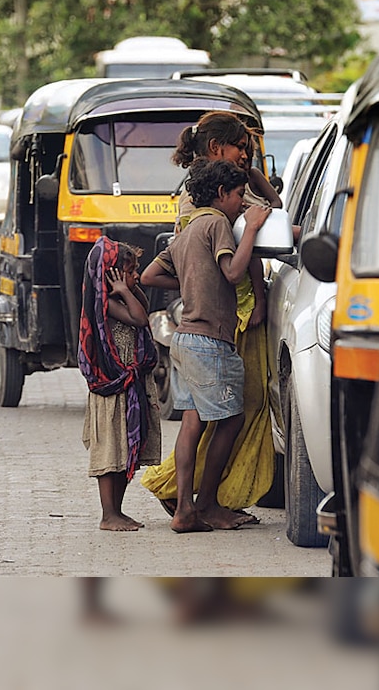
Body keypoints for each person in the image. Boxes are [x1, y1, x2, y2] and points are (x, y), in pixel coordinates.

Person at [140, 112, 279, 523]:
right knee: (233, 416)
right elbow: (236, 270)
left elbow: (152, 273)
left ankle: (184, 507)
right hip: (214, 336)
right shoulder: (219, 220)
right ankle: (204, 505)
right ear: (223, 191)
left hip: (184, 336)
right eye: (242, 151)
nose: (243, 199)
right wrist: (251, 229)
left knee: (192, 420)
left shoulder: (192, 217)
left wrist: (192, 284)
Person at [78, 238, 162, 531]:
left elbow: (145, 307)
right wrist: (125, 290)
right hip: (113, 386)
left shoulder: (124, 295)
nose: (136, 276)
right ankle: (108, 514)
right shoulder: (109, 302)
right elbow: (140, 319)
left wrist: (131, 287)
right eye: (130, 271)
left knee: (126, 450)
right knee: (111, 450)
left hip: (129, 386)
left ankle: (118, 511)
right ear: (111, 275)